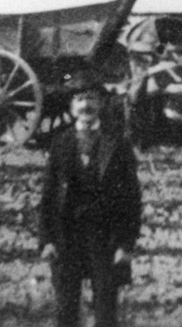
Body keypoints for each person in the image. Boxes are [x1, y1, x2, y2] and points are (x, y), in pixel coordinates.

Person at [38, 71, 142, 327]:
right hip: (67, 235)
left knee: (106, 309)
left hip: (104, 237)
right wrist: (46, 240)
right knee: (66, 308)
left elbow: (132, 199)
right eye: (80, 99)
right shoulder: (61, 143)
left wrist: (126, 245)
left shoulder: (117, 144)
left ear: (101, 104)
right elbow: (48, 195)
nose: (86, 105)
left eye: (92, 98)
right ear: (72, 107)